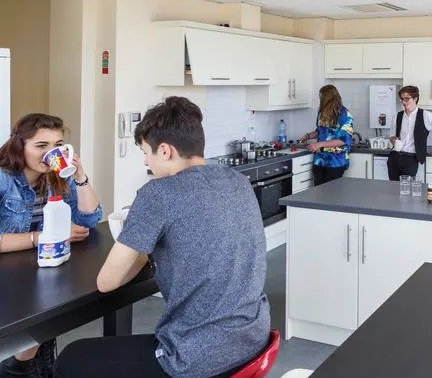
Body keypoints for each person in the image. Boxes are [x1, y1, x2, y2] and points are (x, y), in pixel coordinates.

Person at [54, 97, 271, 377]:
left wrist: (141, 238)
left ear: (165, 151)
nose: (145, 160)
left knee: (72, 358)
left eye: (146, 152)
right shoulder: (237, 181)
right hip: (253, 338)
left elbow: (107, 282)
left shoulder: (158, 193)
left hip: (196, 356)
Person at [0, 113, 102, 378]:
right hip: (8, 276)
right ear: (19, 146)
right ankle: (17, 369)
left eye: (57, 145)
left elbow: (88, 220)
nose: (51, 152)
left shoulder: (57, 177)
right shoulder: (3, 179)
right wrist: (47, 236)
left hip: (36, 268)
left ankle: (27, 366)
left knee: (47, 319)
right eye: (41, 146)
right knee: (37, 329)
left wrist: (79, 175)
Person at [388, 85, 432, 180]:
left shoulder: (425, 115)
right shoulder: (397, 116)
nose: (403, 102)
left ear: (415, 99)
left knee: (407, 190)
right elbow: (392, 137)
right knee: (392, 190)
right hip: (394, 157)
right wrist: (394, 140)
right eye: (401, 99)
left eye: (407, 99)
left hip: (411, 159)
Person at [298, 85, 354, 186]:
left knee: (331, 196)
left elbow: (343, 140)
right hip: (320, 160)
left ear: (328, 99)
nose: (320, 100)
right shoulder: (322, 113)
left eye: (321, 98)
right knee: (318, 193)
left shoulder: (344, 114)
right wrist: (308, 136)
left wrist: (318, 145)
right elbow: (320, 131)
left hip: (336, 161)